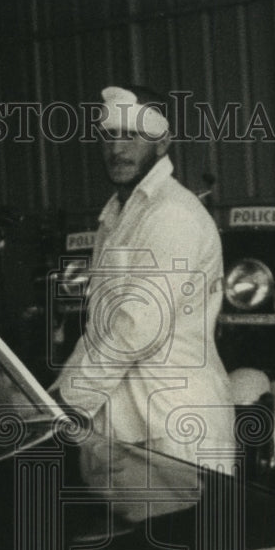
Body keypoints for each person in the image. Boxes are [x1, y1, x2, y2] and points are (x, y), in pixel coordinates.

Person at [51, 85, 236, 479]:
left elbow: (136, 327)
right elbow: (100, 328)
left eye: (131, 135)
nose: (117, 148)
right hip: (131, 426)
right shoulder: (117, 216)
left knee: (185, 540)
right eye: (109, 135)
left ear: (163, 140)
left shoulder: (172, 215)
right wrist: (54, 398)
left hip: (173, 426)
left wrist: (70, 403)